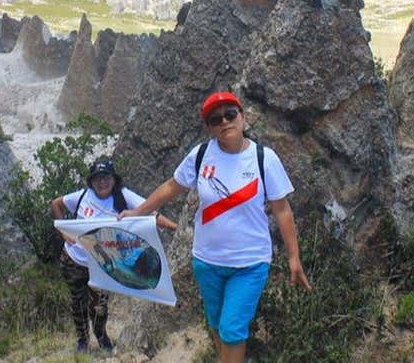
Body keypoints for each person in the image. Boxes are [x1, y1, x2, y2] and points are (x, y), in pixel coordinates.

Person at [119, 91, 311, 363]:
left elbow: (282, 210)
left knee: (232, 329)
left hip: (249, 263)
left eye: (230, 114)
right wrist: (138, 212)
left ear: (243, 117)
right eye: (215, 119)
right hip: (207, 261)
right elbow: (172, 186)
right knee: (217, 325)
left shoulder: (263, 158)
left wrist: (294, 257)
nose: (224, 122)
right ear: (209, 127)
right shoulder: (200, 156)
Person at [51, 157, 177, 353]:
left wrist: (175, 227)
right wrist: (63, 231)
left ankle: (101, 336)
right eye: (97, 178)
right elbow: (56, 204)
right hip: (74, 259)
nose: (102, 182)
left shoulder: (123, 197)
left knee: (99, 305)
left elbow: (151, 212)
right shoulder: (83, 195)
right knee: (78, 301)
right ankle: (83, 341)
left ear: (114, 179)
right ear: (91, 181)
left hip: (103, 264)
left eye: (106, 177)